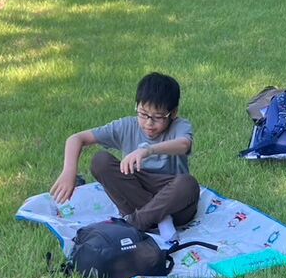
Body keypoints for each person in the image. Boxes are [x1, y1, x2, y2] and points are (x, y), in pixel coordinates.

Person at [49, 72, 199, 232]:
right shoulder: (126, 126)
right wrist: (69, 171)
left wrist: (147, 150)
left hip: (173, 204)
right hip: (135, 195)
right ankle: (157, 218)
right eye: (143, 114)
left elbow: (184, 144)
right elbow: (77, 138)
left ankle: (136, 222)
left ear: (173, 113)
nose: (149, 123)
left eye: (158, 117)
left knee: (188, 184)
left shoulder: (179, 126)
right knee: (100, 161)